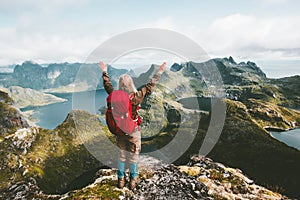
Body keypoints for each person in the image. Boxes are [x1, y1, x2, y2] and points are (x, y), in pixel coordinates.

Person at [99, 61, 166, 190]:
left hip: (119, 131)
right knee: (133, 156)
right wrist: (160, 72)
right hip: (133, 131)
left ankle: (120, 180)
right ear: (131, 84)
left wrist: (104, 70)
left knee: (122, 155)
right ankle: (133, 180)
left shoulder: (114, 96)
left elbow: (107, 85)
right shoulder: (135, 98)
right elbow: (149, 86)